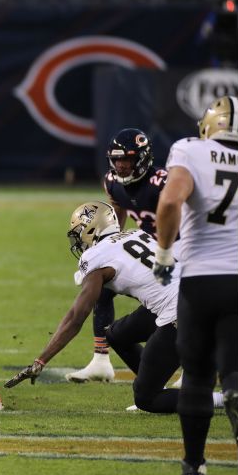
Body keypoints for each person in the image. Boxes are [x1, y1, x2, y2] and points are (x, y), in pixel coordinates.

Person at [4, 202, 224, 416]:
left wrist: (41, 360)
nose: (78, 242)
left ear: (91, 229)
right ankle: (155, 380)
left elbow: (75, 317)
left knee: (146, 398)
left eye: (79, 234)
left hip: (180, 312)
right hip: (197, 293)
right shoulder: (135, 234)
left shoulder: (96, 256)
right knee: (116, 335)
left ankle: (223, 399)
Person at [152, 96, 238, 475]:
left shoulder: (191, 150)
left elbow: (171, 200)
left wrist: (165, 253)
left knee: (198, 377)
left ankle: (194, 465)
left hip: (201, 279)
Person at [67, 128, 170, 383]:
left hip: (176, 249)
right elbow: (117, 212)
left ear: (143, 158)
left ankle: (190, 368)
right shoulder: (112, 181)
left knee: (171, 303)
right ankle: (100, 359)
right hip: (148, 245)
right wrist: (111, 247)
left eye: (129, 159)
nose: (122, 165)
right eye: (118, 159)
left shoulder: (162, 183)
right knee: (102, 289)